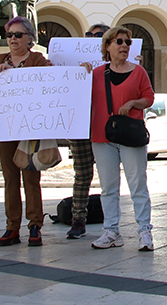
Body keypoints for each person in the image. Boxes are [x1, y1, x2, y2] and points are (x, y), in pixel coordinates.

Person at [87, 26, 155, 251]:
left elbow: (149, 97)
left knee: (137, 184)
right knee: (108, 186)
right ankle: (111, 231)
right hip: (102, 135)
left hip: (130, 134)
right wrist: (80, 74)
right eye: (119, 41)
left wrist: (133, 103)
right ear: (108, 46)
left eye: (128, 42)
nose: (125, 45)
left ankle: (144, 230)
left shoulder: (138, 72)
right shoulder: (96, 74)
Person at [0, 16, 51, 247]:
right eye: (9, 35)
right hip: (5, 128)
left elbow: (49, 80)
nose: (12, 39)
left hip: (29, 128)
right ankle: (12, 227)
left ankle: (35, 225)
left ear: (30, 39)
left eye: (18, 35)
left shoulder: (38, 60)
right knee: (10, 178)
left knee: (31, 177)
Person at [64, 23, 108, 241]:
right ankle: (78, 219)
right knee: (82, 174)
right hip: (80, 124)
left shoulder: (115, 65)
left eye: (98, 36)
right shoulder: (75, 65)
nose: (92, 38)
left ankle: (111, 219)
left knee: (109, 175)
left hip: (105, 125)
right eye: (88, 35)